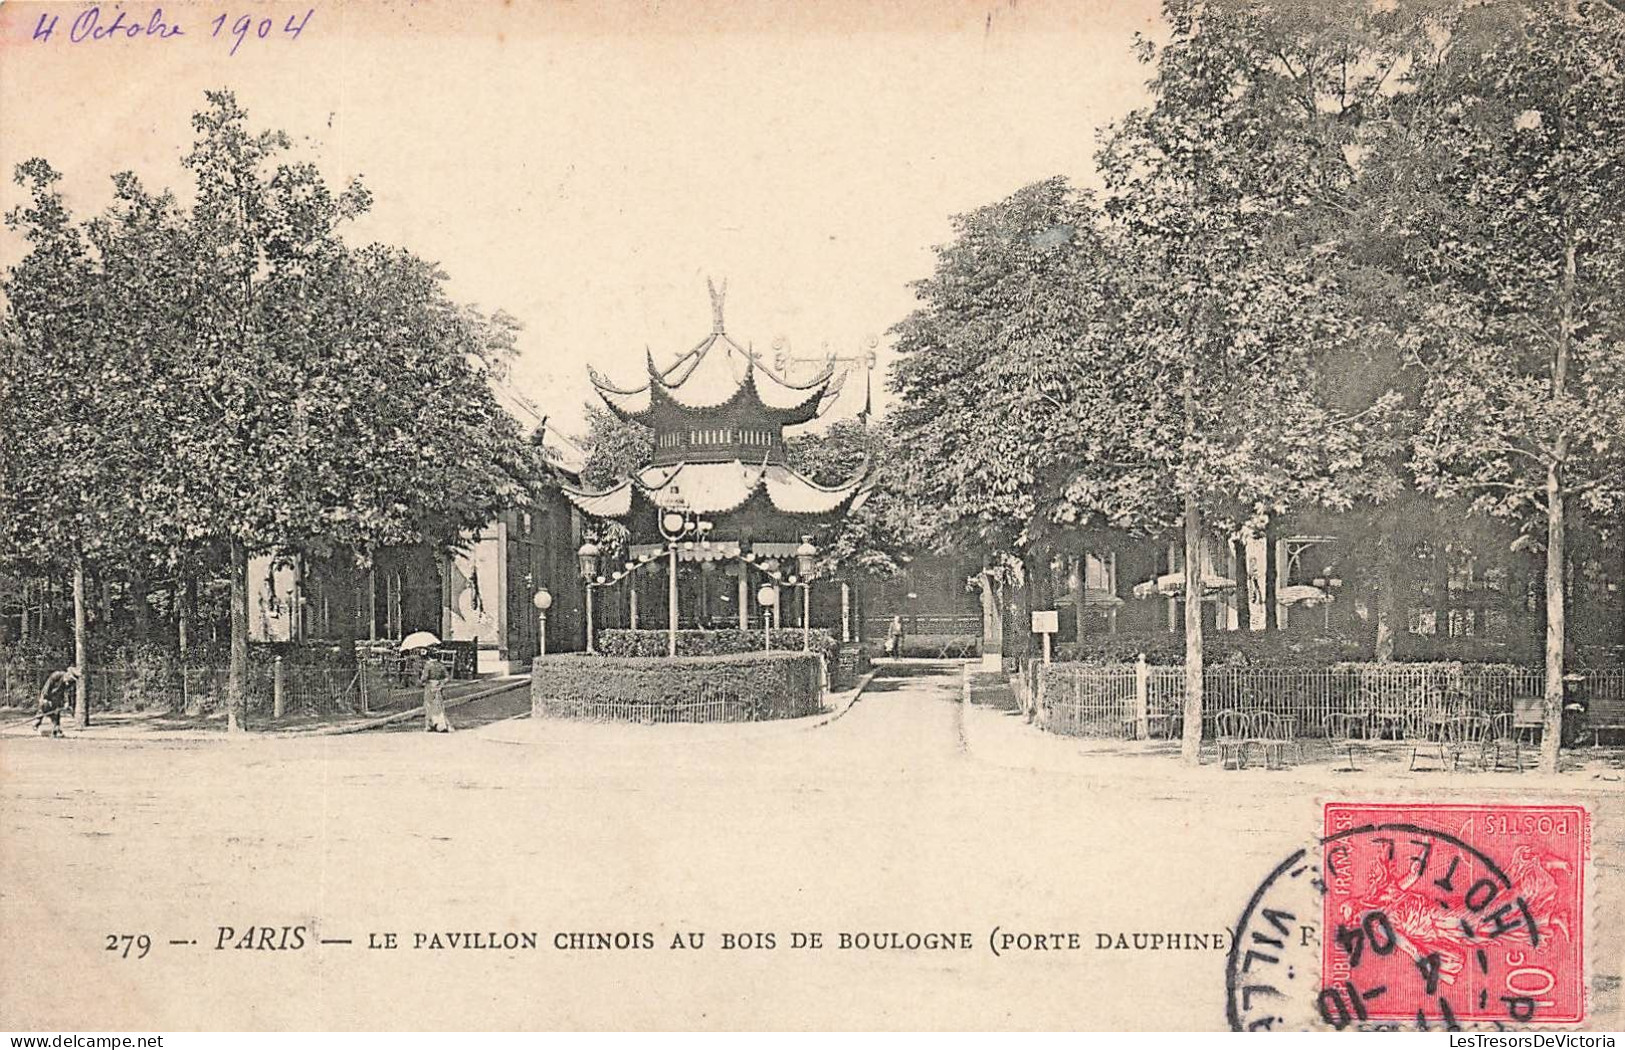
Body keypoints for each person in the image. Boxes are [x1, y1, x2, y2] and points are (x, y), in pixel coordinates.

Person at [34, 664, 79, 737]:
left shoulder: (69, 683)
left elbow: (66, 692)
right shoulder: (56, 676)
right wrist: (44, 699)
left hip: (57, 698)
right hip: (47, 696)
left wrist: (66, 702)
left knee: (56, 712)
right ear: (68, 674)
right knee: (44, 708)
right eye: (71, 678)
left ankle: (56, 729)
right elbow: (47, 687)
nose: (70, 681)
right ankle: (37, 722)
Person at [420, 651, 453, 733]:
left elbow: (424, 678)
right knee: (439, 706)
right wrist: (441, 684)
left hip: (430, 686)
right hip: (438, 686)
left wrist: (421, 679)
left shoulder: (428, 665)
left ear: (429, 657)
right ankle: (441, 724)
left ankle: (429, 725)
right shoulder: (441, 665)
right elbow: (447, 677)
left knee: (428, 706)